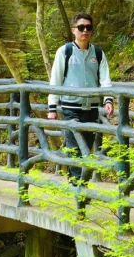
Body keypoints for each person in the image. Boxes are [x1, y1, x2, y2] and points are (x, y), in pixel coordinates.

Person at [48, 11, 114, 184]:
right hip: (71, 107)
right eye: (81, 27)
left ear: (92, 31)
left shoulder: (98, 54)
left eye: (88, 27)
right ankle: (77, 185)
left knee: (87, 147)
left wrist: (108, 100)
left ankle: (80, 182)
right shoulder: (65, 52)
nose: (85, 30)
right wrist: (52, 107)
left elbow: (105, 79)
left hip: (91, 108)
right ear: (73, 30)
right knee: (74, 147)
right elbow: (55, 79)